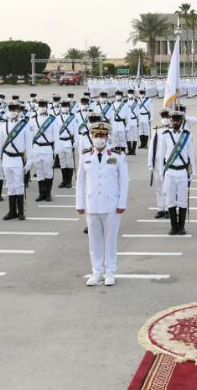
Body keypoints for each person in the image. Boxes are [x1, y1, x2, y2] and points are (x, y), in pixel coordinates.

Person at [76, 122, 128, 287]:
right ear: (91, 137)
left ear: (108, 137)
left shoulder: (117, 155)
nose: (99, 139)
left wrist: (122, 202)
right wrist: (80, 203)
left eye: (102, 136)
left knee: (110, 240)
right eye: (96, 136)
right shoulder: (85, 155)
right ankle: (97, 271)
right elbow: (80, 181)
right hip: (92, 204)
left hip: (111, 204)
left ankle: (110, 271)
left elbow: (124, 180)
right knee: (94, 241)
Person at [160, 110, 195, 235]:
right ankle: (173, 227)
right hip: (170, 171)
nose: (175, 122)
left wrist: (193, 171)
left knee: (182, 200)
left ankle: (181, 227)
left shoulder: (187, 136)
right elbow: (161, 155)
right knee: (170, 199)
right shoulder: (165, 135)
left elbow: (191, 154)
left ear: (181, 121)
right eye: (173, 120)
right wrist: (161, 172)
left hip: (182, 172)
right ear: (171, 121)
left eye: (177, 120)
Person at [0, 102, 33, 221]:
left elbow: (29, 145)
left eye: (15, 109)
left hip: (18, 159)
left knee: (19, 185)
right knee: (10, 186)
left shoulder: (25, 125)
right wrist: (0, 159)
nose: (13, 111)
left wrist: (29, 161)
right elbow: (1, 144)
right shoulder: (3, 125)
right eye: (11, 108)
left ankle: (21, 212)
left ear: (19, 110)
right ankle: (12, 211)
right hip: (7, 158)